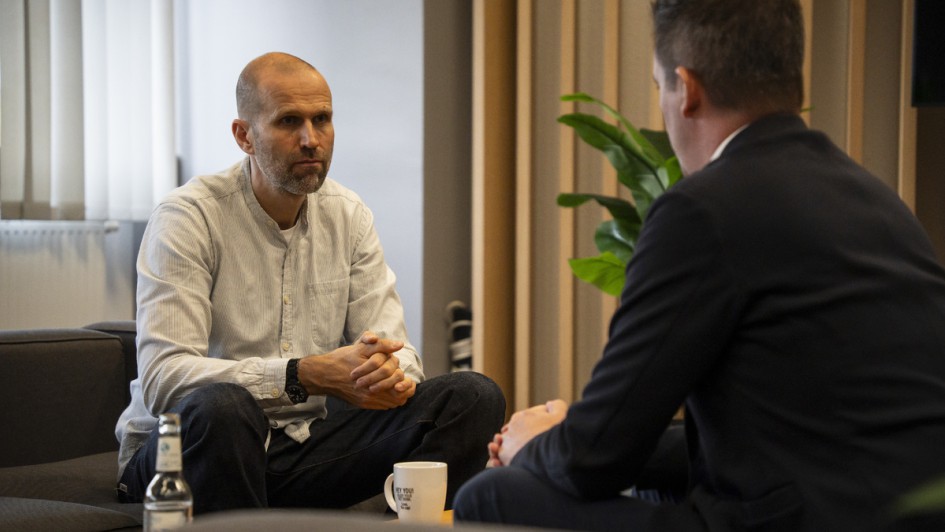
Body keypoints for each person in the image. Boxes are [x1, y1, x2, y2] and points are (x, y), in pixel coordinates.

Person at [453, 1, 945, 530]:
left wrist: (539, 442)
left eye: (660, 86)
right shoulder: (877, 201)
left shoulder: (703, 209)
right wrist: (577, 428)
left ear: (686, 90)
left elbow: (590, 462)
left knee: (491, 496)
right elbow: (770, 436)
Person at [114, 51, 505, 514]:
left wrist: (387, 373)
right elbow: (165, 380)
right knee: (222, 407)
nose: (311, 139)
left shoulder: (349, 215)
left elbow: (398, 355)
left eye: (322, 119)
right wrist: (304, 375)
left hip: (303, 449)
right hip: (181, 454)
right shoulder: (188, 217)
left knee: (472, 397)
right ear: (244, 136)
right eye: (289, 122)